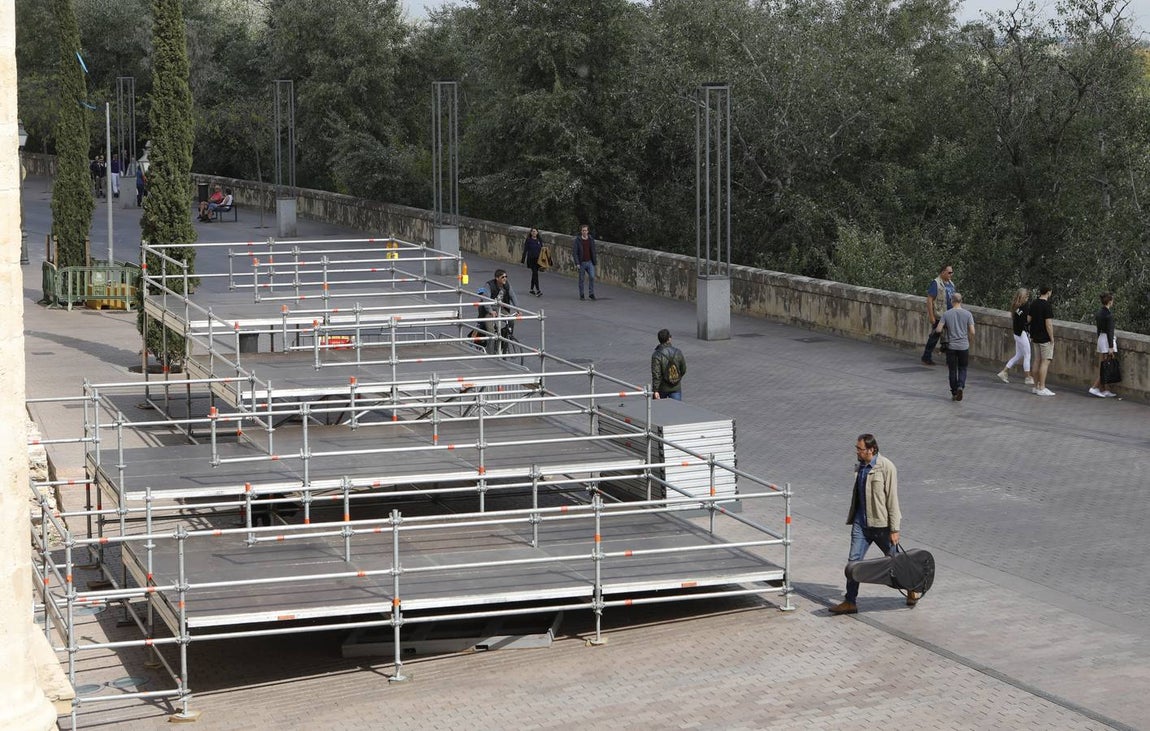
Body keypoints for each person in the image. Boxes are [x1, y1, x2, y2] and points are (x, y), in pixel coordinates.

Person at [830, 434, 918, 615]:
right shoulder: (861, 466)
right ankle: (850, 601)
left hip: (882, 527)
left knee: (896, 561)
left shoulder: (886, 467)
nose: (857, 452)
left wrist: (894, 529)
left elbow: (892, 500)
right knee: (854, 563)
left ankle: (911, 588)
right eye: (857, 448)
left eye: (860, 449)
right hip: (861, 525)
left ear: (871, 450)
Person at [934, 292, 975, 401]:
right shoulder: (968, 314)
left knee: (952, 370)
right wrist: (969, 340)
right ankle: (961, 386)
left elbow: (938, 329)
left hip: (951, 346)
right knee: (963, 368)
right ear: (961, 301)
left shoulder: (946, 314)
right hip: (963, 346)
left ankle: (954, 392)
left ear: (951, 301)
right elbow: (972, 331)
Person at [997, 288, 1033, 386]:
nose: (1027, 298)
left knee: (1019, 355)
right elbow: (1026, 321)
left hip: (1016, 333)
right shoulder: (1025, 307)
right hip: (1021, 333)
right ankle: (1027, 377)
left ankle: (1004, 372)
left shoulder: (1015, 307)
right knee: (1027, 355)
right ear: (1022, 297)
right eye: (1026, 297)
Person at [921, 264, 955, 366]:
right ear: (943, 272)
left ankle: (949, 359)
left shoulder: (951, 284)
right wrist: (931, 316)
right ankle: (926, 357)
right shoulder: (936, 283)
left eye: (952, 272)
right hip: (940, 315)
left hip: (950, 314)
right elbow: (930, 300)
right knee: (934, 337)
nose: (951, 274)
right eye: (949, 272)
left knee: (950, 337)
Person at [479, 269, 518, 355]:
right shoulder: (489, 285)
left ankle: (504, 340)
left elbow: (513, 296)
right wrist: (490, 311)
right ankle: (490, 352)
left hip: (500, 309)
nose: (505, 279)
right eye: (502, 277)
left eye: (506, 277)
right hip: (488, 310)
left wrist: (518, 309)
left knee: (511, 320)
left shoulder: (507, 285)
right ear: (497, 278)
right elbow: (485, 299)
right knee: (491, 332)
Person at [1089, 292, 1119, 398]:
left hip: (1101, 338)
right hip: (1107, 340)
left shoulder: (1099, 313)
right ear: (1110, 301)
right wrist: (1111, 347)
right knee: (1106, 366)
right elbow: (1110, 332)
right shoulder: (1109, 315)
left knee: (1103, 365)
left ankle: (1105, 389)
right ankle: (1094, 387)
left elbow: (1098, 329)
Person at [1028, 285, 1055, 396]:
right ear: (1048, 292)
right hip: (1044, 338)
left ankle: (1035, 386)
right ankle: (1042, 387)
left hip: (1035, 337)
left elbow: (1028, 319)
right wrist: (1052, 338)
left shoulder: (1034, 303)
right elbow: (1048, 324)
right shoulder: (1047, 305)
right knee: (1045, 361)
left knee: (1036, 361)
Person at [650, 329, 686, 400]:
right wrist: (676, 378)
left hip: (662, 388)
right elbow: (683, 369)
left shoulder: (656, 355)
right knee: (676, 409)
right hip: (676, 387)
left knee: (660, 409)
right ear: (669, 339)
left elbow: (656, 374)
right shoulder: (677, 352)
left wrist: (655, 390)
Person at [572, 224, 597, 300]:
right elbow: (575, 252)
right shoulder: (578, 240)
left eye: (585, 230)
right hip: (581, 262)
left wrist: (594, 260)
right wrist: (577, 263)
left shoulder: (591, 239)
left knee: (592, 277)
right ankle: (582, 294)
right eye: (583, 230)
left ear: (588, 231)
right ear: (581, 231)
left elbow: (593, 250)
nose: (584, 232)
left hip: (590, 262)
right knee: (581, 279)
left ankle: (591, 293)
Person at [521, 227, 544, 296]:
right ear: (531, 233)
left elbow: (542, 250)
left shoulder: (539, 240)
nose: (534, 233)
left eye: (535, 231)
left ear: (537, 232)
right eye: (532, 231)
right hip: (531, 259)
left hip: (538, 260)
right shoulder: (528, 240)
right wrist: (523, 259)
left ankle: (531, 289)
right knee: (535, 274)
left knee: (534, 274)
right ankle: (538, 290)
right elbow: (525, 250)